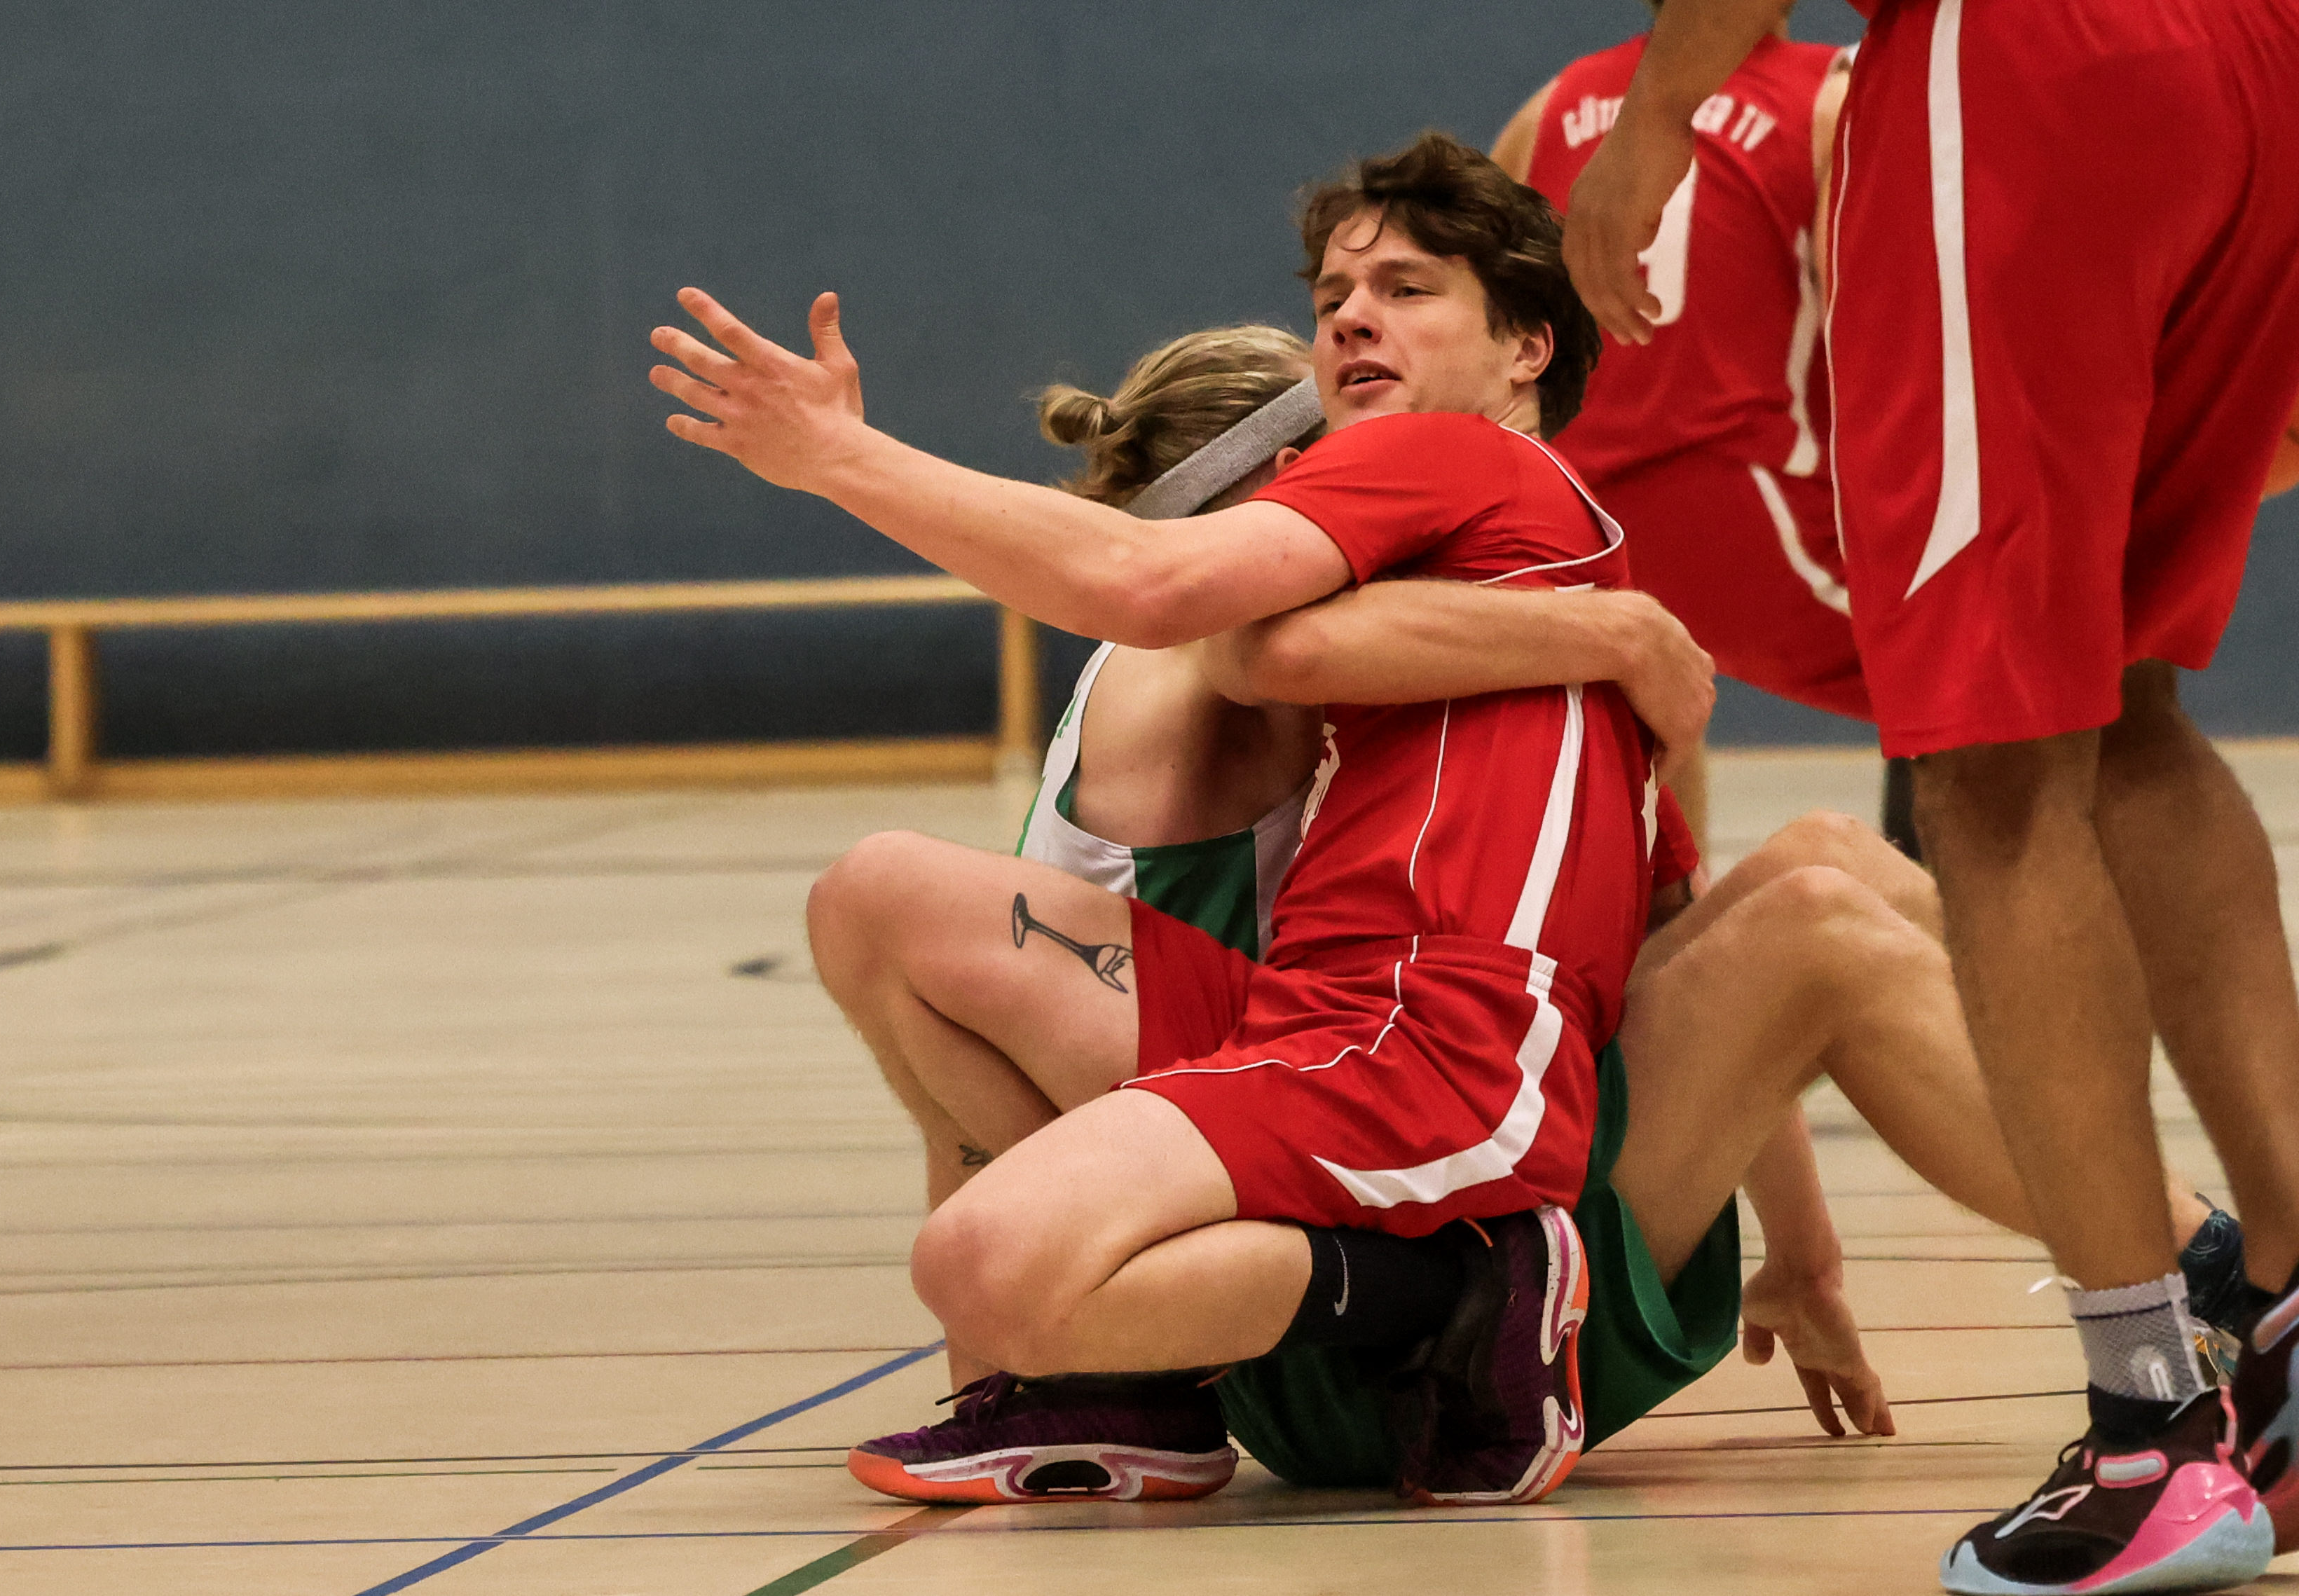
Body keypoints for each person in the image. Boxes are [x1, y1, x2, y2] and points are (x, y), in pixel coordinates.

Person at [838, 327, 2258, 1508]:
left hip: (1373, 1143)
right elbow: (1242, 634)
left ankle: (2202, 1257)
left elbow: (1672, 953)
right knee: (1816, 916)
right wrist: (1616, 629)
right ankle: (2219, 1267)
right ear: (1280, 491)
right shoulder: (1232, 654)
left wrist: (1804, 1256)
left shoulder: (1434, 645)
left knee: (1825, 873)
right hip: (1313, 1173)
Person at [653, 132, 1669, 1504]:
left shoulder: (1452, 459)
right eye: (1332, 296)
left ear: (1527, 348)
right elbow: (1261, 647)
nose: (1351, 316)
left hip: (1422, 1046)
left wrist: (841, 456)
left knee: (981, 1260)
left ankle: (1453, 1286)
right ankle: (1127, 1388)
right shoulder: (1522, 565)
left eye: (1406, 288)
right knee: (878, 896)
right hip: (1312, 1014)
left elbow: (1149, 585)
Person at [1561, 1, 2299, 1590]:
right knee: (2132, 705)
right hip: (2255, 61)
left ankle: (2147, 1432)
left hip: (2020, 66)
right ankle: (2291, 1329)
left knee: (1986, 765)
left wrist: (1657, 115)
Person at [1491, 1, 1859, 851]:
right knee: (1977, 670)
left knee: (1645, 708)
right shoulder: (1828, 98)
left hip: (1570, 523)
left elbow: (1482, 318)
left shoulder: (1550, 107)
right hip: (1748, 516)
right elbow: (1879, 338)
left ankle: (1664, 895)